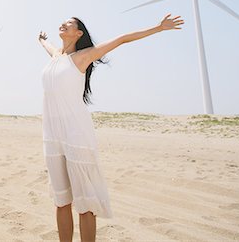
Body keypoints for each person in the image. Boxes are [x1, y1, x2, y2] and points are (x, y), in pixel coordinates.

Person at [38, 13, 184, 242]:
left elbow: (122, 39)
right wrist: (42, 40)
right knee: (61, 201)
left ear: (79, 33)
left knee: (85, 202)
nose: (63, 24)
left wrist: (158, 27)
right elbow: (48, 46)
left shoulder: (84, 56)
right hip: (52, 135)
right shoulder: (56, 55)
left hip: (76, 134)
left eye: (69, 23)